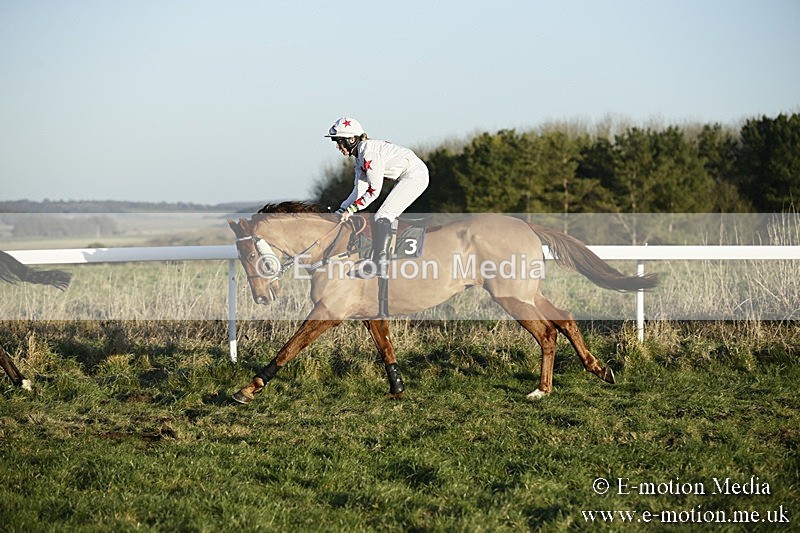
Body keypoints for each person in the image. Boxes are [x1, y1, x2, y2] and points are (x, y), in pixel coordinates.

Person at [325, 117, 429, 278]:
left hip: (415, 176)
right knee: (381, 215)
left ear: (351, 140)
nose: (338, 147)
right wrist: (341, 210)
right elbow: (359, 191)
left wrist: (351, 210)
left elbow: (374, 191)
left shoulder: (368, 154)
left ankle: (380, 265)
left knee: (383, 216)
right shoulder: (359, 157)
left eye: (339, 142)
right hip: (406, 175)